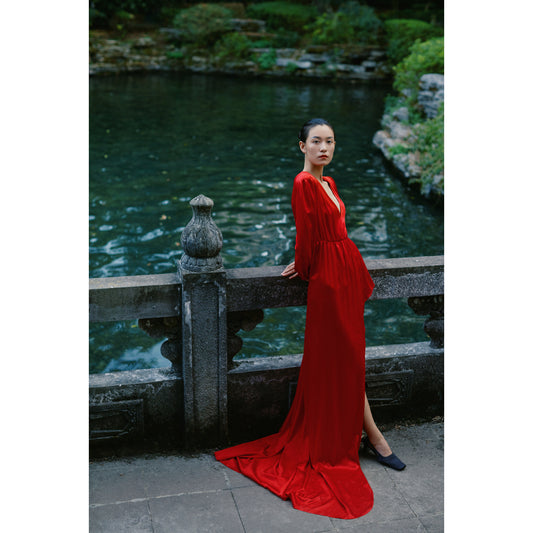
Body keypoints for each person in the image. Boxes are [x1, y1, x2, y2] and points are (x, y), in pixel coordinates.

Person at [215, 118, 405, 520]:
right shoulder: (303, 183)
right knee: (345, 359)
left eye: (330, 141)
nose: (324, 148)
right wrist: (302, 266)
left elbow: (333, 228)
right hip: (328, 282)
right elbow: (306, 234)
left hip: (345, 272)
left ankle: (370, 436)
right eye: (316, 141)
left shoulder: (328, 182)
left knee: (350, 358)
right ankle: (375, 438)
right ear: (302, 146)